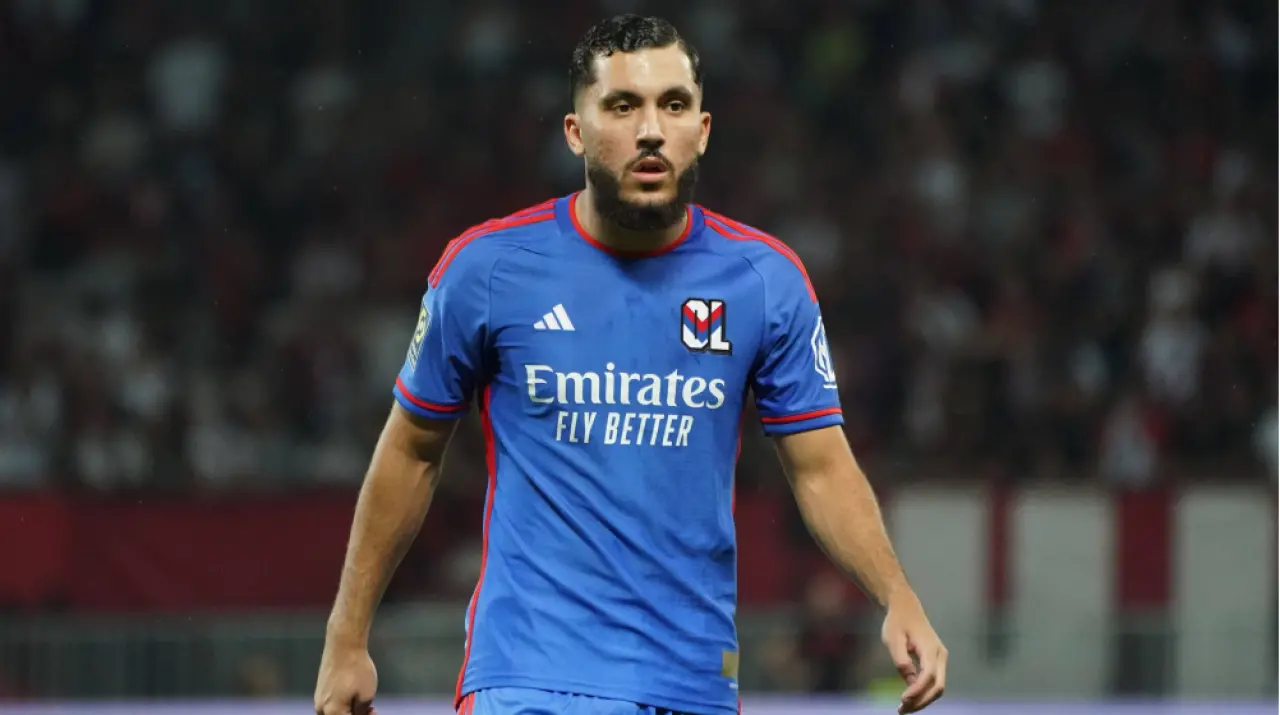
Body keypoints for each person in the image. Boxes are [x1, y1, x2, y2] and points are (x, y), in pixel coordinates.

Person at [315, 14, 947, 715]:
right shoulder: (487, 269)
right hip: (528, 681)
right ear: (575, 131)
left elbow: (821, 465)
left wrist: (896, 595)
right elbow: (410, 450)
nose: (651, 129)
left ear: (702, 130)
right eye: (622, 106)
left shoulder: (764, 281)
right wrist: (347, 637)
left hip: (691, 685)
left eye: (673, 105)